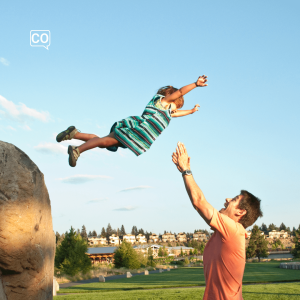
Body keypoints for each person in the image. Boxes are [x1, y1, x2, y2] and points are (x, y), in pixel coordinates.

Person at [172, 142, 263, 300]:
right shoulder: (224, 234)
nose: (227, 199)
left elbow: (199, 202)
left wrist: (186, 170)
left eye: (233, 199)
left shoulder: (234, 231)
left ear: (240, 212)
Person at [56, 75, 208, 167]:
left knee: (103, 141)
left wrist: (191, 111)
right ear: (170, 96)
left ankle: (74, 133)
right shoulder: (163, 102)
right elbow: (180, 92)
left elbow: (177, 114)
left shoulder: (167, 113)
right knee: (103, 142)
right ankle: (77, 150)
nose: (174, 110)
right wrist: (195, 84)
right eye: (176, 105)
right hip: (132, 131)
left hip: (134, 136)